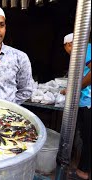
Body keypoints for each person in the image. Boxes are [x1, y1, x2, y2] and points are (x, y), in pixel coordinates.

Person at [60, 33, 91, 180]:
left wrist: (74, 89)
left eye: (66, 47)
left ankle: (83, 172)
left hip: (88, 103)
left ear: (69, 45)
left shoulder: (86, 49)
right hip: (84, 101)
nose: (67, 51)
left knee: (87, 136)